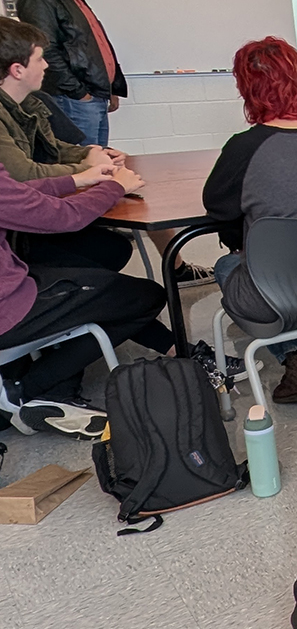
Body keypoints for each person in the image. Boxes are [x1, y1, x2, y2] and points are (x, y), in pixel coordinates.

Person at [0, 18, 210, 285]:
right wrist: (88, 169)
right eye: (40, 58)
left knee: (115, 244)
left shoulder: (31, 102)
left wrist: (90, 153)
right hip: (23, 230)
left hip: (36, 208)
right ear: (17, 70)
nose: (47, 65)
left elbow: (54, 146)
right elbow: (23, 174)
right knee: (119, 259)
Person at [202, 38, 297, 404]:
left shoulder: (243, 147)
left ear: (247, 89)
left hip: (278, 289)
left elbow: (219, 209)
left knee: (228, 265)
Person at [0, 159, 173, 440]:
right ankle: (22, 391)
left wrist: (75, 181)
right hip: (8, 308)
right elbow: (63, 217)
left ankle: (52, 388)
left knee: (102, 261)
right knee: (146, 297)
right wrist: (115, 187)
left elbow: (13, 194)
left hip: (11, 287)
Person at [16, 0, 125, 148]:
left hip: (94, 94)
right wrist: (79, 93)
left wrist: (110, 86)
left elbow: (95, 44)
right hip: (74, 99)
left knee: (98, 161)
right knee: (85, 164)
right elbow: (46, 50)